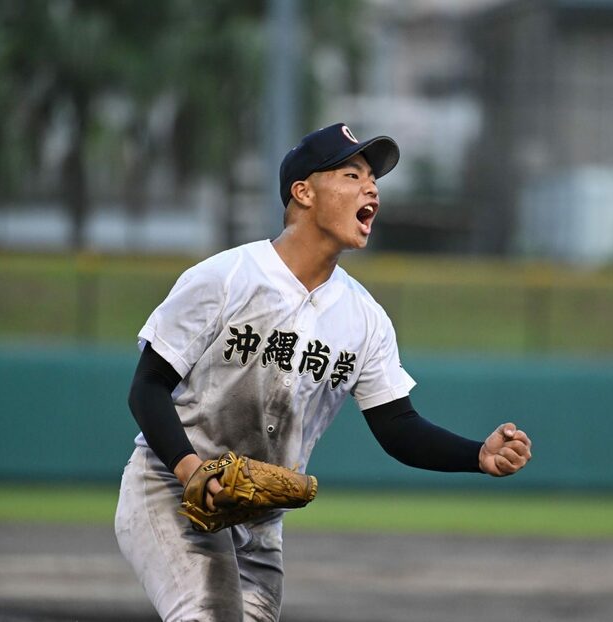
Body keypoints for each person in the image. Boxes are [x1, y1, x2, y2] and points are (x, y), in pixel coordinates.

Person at [114, 122, 533, 621]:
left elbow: (398, 427)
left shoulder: (365, 318)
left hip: (260, 527)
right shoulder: (226, 279)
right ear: (304, 192)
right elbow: (147, 388)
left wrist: (477, 455)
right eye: (352, 174)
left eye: (373, 178)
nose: (371, 187)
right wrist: (192, 472)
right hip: (171, 491)